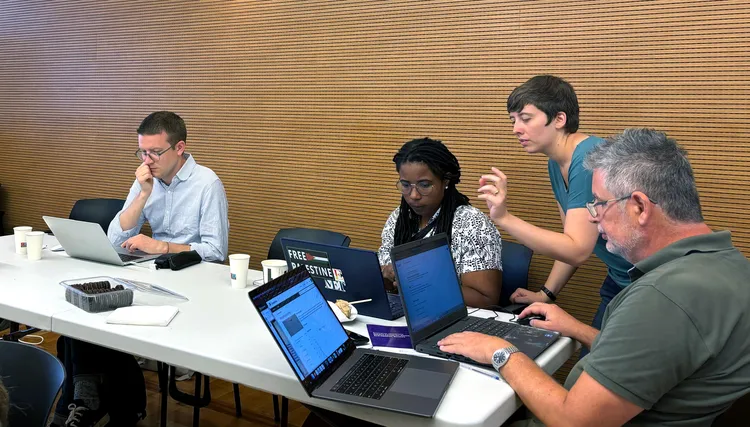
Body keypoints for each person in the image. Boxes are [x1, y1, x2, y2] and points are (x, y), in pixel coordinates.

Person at [439, 129, 750, 426]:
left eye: (600, 203)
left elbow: (572, 420)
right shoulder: (731, 267)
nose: (592, 215)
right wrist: (577, 330)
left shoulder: (664, 297)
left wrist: (499, 351)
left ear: (639, 207)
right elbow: (655, 359)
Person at [479, 75, 632, 332]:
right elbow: (568, 241)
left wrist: (504, 218)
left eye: (525, 118)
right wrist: (546, 294)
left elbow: (577, 250)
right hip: (619, 278)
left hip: (650, 281)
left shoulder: (588, 159)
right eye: (513, 120)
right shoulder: (557, 161)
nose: (516, 128)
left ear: (559, 119)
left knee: (598, 365)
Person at [378, 137, 503, 308]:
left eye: (424, 185)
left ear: (445, 181)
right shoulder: (398, 219)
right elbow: (390, 289)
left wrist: (419, 282)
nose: (413, 195)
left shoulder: (471, 224)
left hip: (454, 320)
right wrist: (384, 278)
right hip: (406, 314)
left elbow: (485, 299)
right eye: (405, 185)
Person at [108, 111, 229, 262]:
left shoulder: (207, 183)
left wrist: (162, 247)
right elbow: (114, 241)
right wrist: (143, 195)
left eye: (155, 152)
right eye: (143, 152)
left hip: (193, 272)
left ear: (179, 148)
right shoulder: (146, 178)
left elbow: (216, 252)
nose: (147, 161)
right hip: (154, 267)